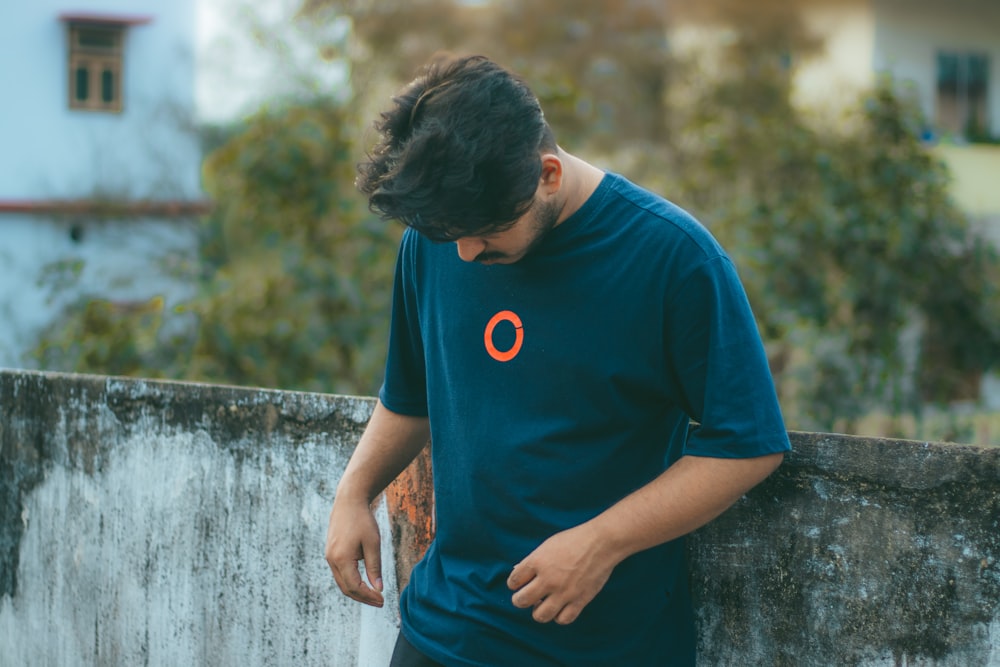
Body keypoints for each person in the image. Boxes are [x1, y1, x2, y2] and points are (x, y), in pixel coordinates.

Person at [325, 53, 790, 667]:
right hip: (442, 633)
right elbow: (411, 396)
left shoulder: (674, 259)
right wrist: (354, 492)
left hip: (603, 647)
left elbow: (747, 443)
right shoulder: (436, 238)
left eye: (487, 231)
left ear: (547, 174)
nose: (464, 254)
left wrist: (602, 542)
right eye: (449, 234)